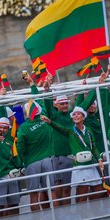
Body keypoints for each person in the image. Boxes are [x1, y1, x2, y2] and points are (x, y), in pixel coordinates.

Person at [41, 106, 105, 203]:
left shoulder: (88, 130)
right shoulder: (70, 131)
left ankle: (92, 212)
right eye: (74, 114)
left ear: (83, 117)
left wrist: (99, 159)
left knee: (98, 191)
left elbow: (94, 147)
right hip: (80, 166)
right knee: (82, 193)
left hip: (90, 164)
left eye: (78, 114)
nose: (76, 116)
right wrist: (50, 122)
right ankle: (81, 214)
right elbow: (59, 128)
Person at [27, 75, 72, 206]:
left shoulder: (72, 116)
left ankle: (66, 212)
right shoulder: (52, 115)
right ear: (56, 104)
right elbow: (42, 103)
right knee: (52, 187)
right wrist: (46, 91)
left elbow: (84, 105)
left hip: (66, 156)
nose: (64, 105)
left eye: (66, 103)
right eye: (61, 103)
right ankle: (56, 213)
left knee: (66, 188)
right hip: (52, 157)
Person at [16, 100, 53, 211]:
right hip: (47, 159)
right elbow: (42, 102)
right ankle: (57, 217)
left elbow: (20, 147)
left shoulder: (23, 127)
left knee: (34, 195)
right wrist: (33, 85)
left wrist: (20, 163)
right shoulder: (45, 120)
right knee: (52, 191)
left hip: (31, 163)